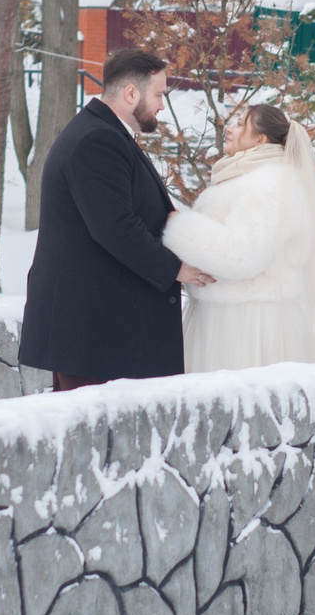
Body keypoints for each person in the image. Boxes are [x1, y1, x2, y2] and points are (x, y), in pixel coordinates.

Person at [18, 48, 213, 389]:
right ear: (131, 93)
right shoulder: (97, 140)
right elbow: (115, 227)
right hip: (91, 334)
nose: (161, 106)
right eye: (158, 95)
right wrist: (176, 269)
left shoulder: (103, 133)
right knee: (91, 439)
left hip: (98, 335)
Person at [161, 102, 315, 372]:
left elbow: (241, 255)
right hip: (232, 319)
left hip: (249, 325)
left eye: (240, 124)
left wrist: (179, 227)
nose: (229, 128)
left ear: (260, 139)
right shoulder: (250, 177)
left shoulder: (269, 183)